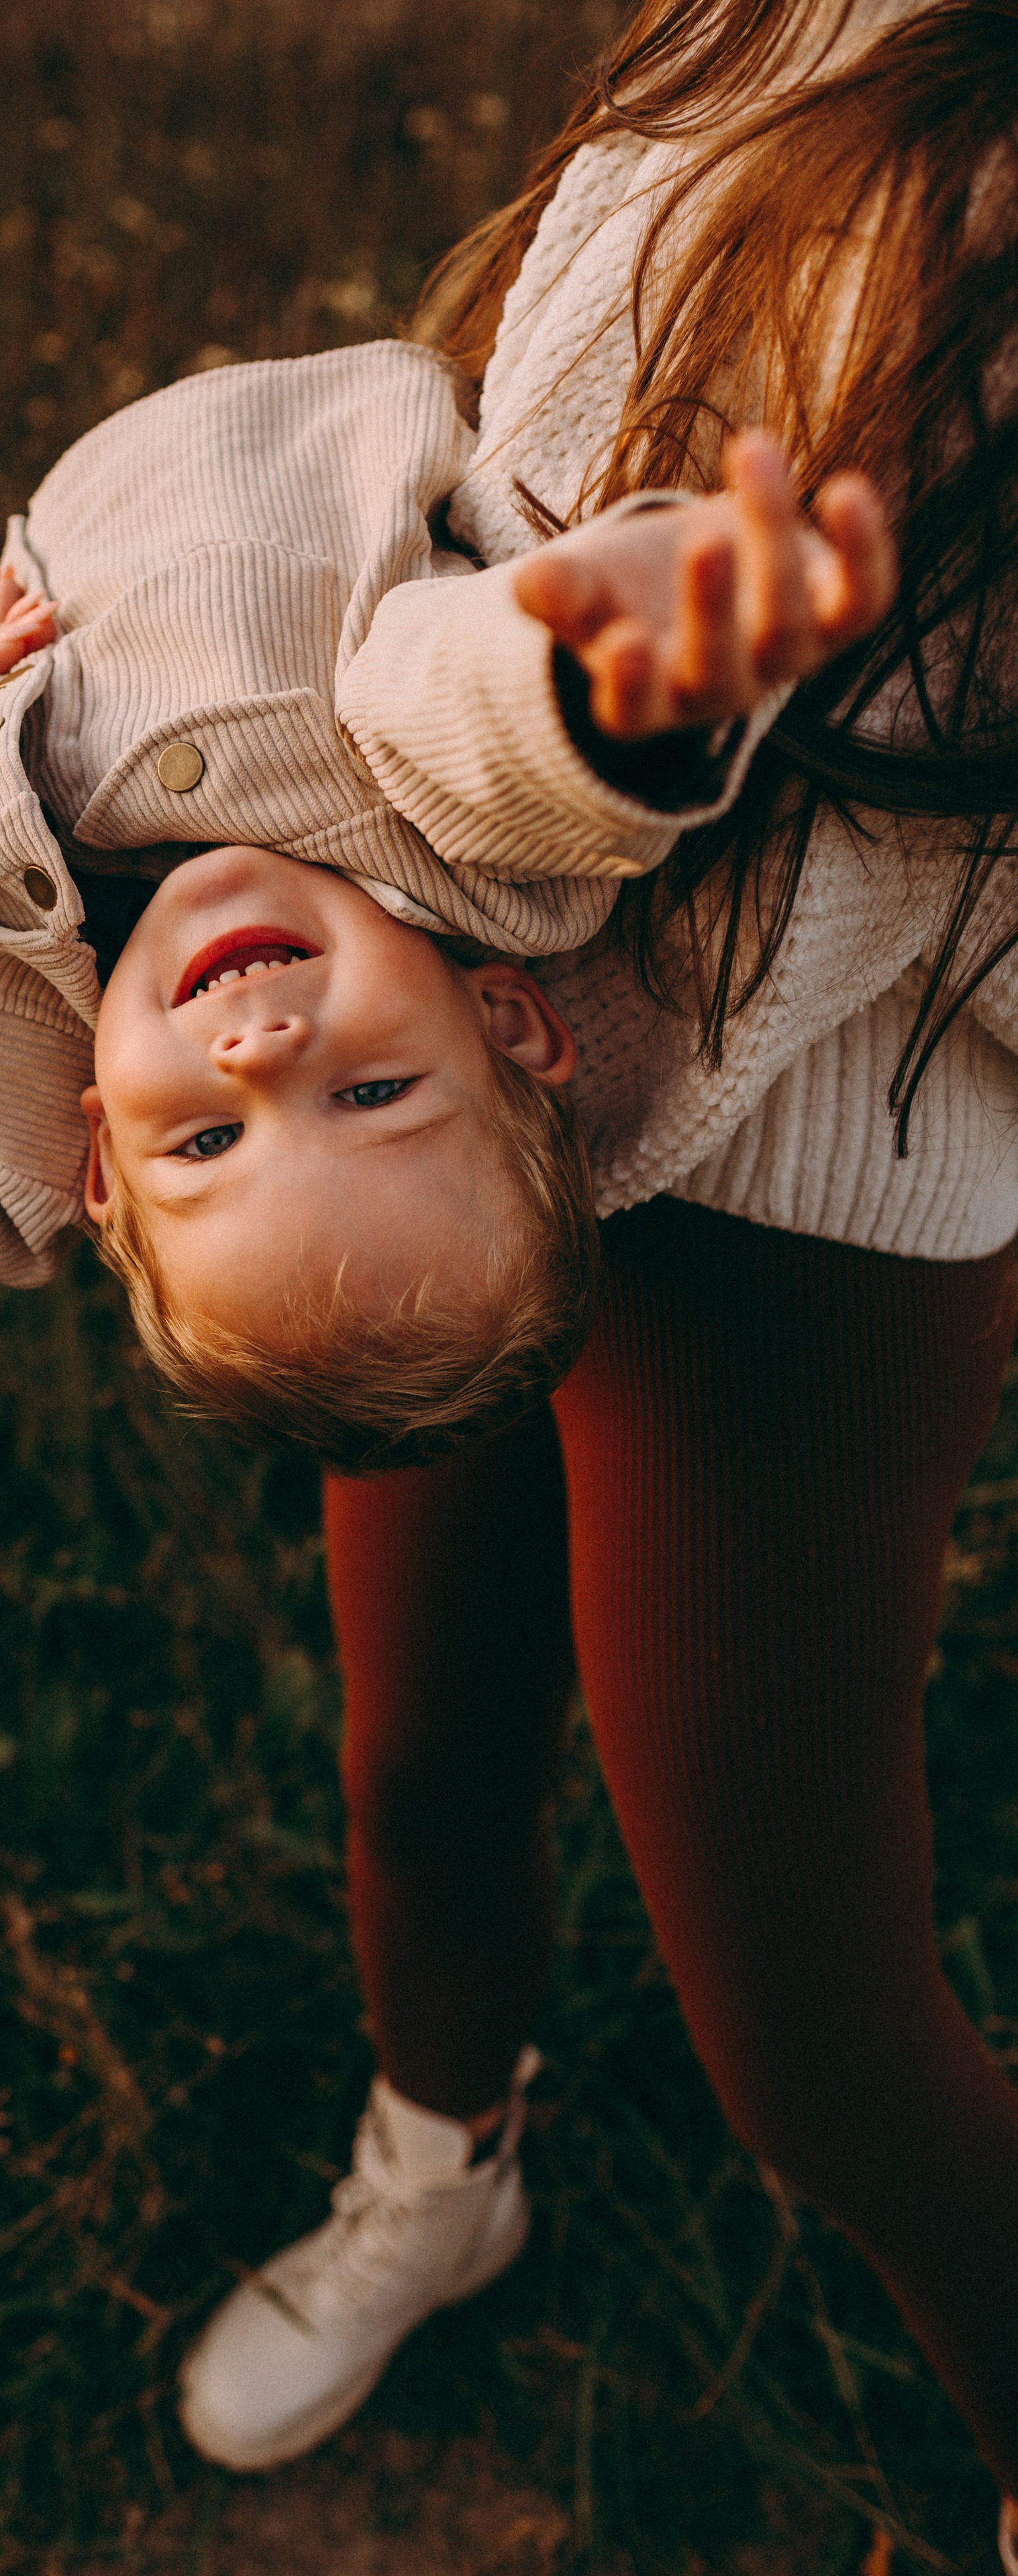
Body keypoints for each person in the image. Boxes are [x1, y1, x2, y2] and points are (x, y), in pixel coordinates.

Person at [174, 5, 1018, 2565]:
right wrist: (17, 778)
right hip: (426, 1093)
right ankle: (448, 2163)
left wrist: (709, 809)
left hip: (798, 1224)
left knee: (815, 2028)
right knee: (416, 1757)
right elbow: (442, 527)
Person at [0, 343, 887, 1546]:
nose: (259, 1053)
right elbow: (514, 741)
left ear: (93, 1156)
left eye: (202, 1143)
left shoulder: (16, 1047)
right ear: (505, 1022)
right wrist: (622, 682)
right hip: (351, 421)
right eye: (370, 1093)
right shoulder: (484, 875)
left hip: (111, 489)